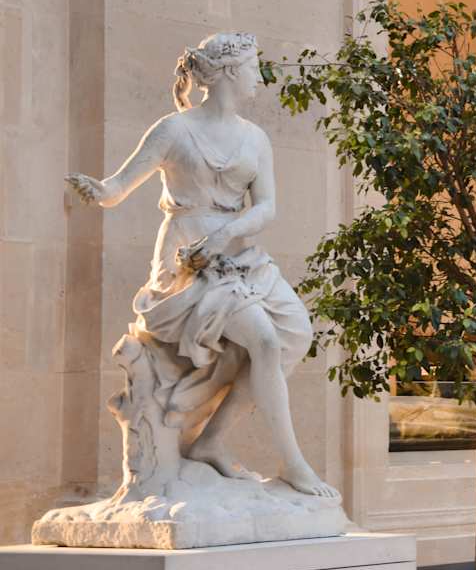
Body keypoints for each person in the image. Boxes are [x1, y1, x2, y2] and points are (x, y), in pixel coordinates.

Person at [65, 32, 337, 498]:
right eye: (252, 68)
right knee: (265, 340)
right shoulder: (173, 130)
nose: (258, 78)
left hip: (238, 253)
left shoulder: (255, 137)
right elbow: (118, 187)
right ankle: (293, 463)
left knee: (295, 333)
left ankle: (211, 441)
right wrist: (99, 191)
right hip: (189, 259)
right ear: (229, 72)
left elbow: (267, 206)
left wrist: (228, 233)